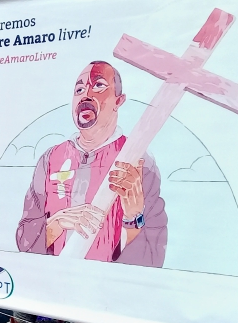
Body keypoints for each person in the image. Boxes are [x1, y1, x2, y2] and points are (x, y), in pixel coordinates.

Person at [17, 61, 167, 267]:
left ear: (119, 100)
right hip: (52, 286)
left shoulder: (138, 162)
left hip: (104, 291)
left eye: (98, 86)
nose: (86, 94)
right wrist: (57, 222)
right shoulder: (51, 158)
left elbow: (154, 257)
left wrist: (134, 218)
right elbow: (24, 241)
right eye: (79, 89)